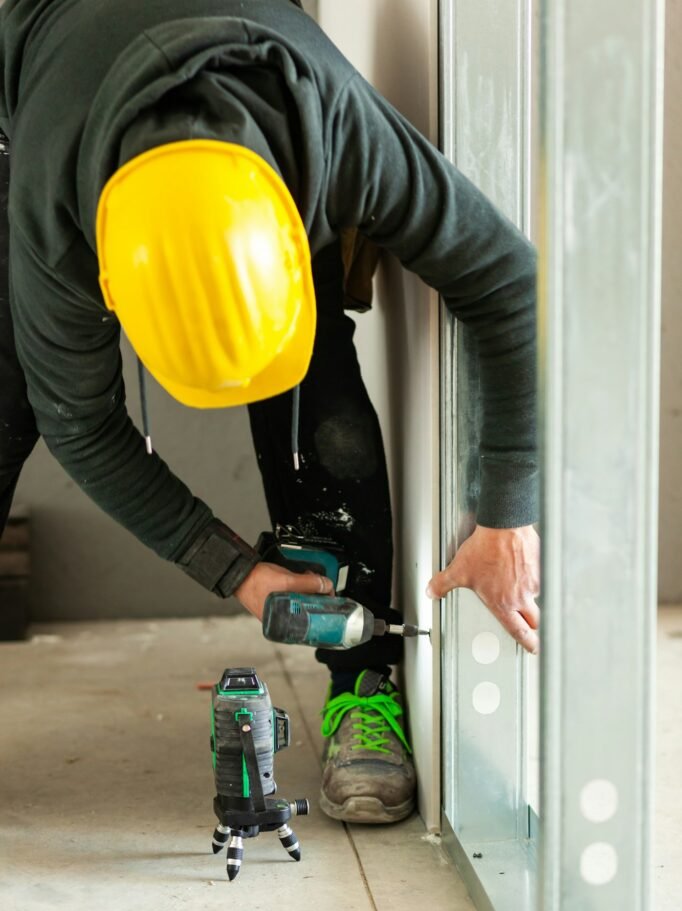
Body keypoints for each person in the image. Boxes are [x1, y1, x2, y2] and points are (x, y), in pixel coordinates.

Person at [0, 0, 540, 825]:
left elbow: (510, 282)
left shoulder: (338, 128)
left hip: (250, 86)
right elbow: (80, 422)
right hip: (47, 68)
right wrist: (237, 573)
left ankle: (363, 680)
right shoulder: (53, 211)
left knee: (311, 385)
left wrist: (508, 515)